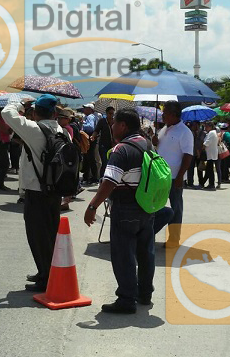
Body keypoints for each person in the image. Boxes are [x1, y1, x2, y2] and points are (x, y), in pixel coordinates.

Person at [84, 108, 155, 314]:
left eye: (114, 123)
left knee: (123, 254)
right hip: (146, 206)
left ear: (123, 125)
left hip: (125, 208)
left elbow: (109, 182)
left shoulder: (121, 149)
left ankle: (126, 299)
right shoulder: (147, 144)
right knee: (145, 253)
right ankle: (144, 293)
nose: (112, 126)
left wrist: (92, 206)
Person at [1, 94, 65, 292]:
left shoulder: (34, 129)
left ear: (35, 112)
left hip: (36, 190)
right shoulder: (62, 131)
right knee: (50, 233)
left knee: (37, 236)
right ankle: (46, 271)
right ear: (55, 113)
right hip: (55, 190)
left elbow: (6, 113)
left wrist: (19, 104)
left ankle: (45, 277)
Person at [152, 101, 193, 247]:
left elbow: (188, 155)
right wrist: (155, 142)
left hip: (175, 176)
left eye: (165, 113)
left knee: (176, 207)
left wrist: (181, 176)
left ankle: (174, 239)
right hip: (159, 176)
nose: (162, 115)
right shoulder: (164, 129)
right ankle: (151, 234)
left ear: (174, 114)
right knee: (154, 206)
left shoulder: (184, 132)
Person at [57, 107, 75, 211]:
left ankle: (64, 202)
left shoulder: (67, 129)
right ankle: (65, 202)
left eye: (62, 118)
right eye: (59, 118)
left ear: (67, 119)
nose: (59, 120)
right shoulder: (64, 128)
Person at [0, 109, 13, 191]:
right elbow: (7, 131)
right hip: (0, 142)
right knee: (4, 163)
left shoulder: (1, 119)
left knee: (2, 163)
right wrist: (12, 126)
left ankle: (1, 182)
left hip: (3, 142)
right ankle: (0, 183)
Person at [81, 103, 102, 185]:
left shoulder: (90, 117)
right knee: (88, 158)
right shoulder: (93, 117)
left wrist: (83, 124)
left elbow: (90, 127)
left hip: (89, 138)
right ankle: (88, 176)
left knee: (90, 158)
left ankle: (93, 177)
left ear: (90, 109)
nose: (84, 109)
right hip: (91, 138)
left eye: (86, 108)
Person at [93, 106, 115, 178]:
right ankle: (102, 179)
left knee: (111, 163)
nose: (111, 115)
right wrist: (93, 136)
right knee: (105, 162)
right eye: (110, 113)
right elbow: (96, 130)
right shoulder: (102, 121)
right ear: (106, 113)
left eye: (113, 114)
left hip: (112, 145)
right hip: (103, 145)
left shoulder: (115, 122)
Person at [200, 121, 220, 190]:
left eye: (206, 126)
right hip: (211, 154)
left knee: (209, 170)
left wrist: (202, 148)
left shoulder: (211, 133)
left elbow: (206, 143)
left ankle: (210, 184)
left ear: (210, 127)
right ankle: (207, 183)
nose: (205, 128)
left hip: (210, 154)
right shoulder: (213, 133)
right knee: (209, 170)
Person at [186, 122, 204, 188]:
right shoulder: (190, 132)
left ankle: (201, 183)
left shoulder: (201, 132)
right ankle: (190, 182)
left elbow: (201, 142)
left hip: (199, 153)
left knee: (200, 169)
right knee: (190, 168)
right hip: (192, 153)